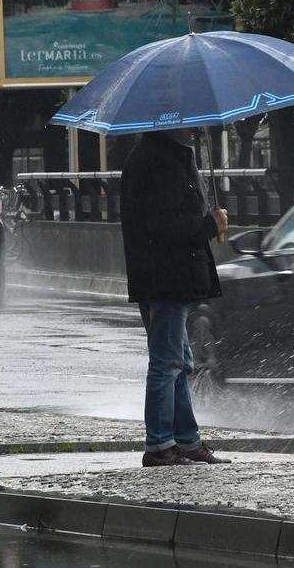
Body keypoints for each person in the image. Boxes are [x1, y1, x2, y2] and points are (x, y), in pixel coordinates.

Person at [120, 129, 228, 467]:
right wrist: (210, 224)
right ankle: (159, 445)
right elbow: (167, 227)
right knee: (167, 362)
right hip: (166, 277)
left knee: (178, 361)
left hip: (164, 275)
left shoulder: (156, 156)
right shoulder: (160, 162)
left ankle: (186, 440)